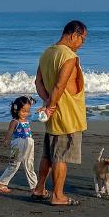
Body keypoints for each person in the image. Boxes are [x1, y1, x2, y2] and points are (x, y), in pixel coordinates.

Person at [32, 20, 88, 206]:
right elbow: (59, 85)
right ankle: (58, 196)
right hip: (66, 115)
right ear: (74, 35)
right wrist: (51, 105)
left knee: (48, 155)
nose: (82, 43)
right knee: (61, 156)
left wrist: (48, 102)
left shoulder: (47, 52)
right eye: (83, 39)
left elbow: (38, 83)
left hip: (52, 113)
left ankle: (39, 189)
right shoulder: (68, 56)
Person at [0, 95, 39, 194]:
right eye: (23, 111)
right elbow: (10, 131)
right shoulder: (14, 121)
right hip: (17, 145)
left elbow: (36, 114)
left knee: (29, 165)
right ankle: (2, 183)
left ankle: (34, 186)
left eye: (28, 111)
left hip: (29, 144)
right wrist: (6, 140)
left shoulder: (27, 121)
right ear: (16, 109)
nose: (25, 114)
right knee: (13, 164)